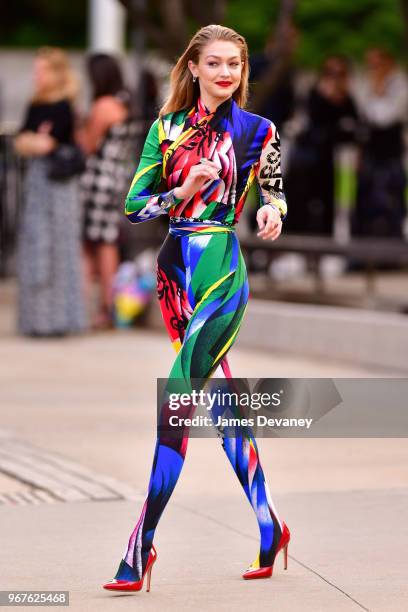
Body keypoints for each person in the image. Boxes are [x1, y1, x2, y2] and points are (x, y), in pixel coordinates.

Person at [102, 24, 290, 593]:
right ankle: (270, 524)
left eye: (234, 64)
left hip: (222, 271)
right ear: (193, 68)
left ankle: (141, 542)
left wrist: (271, 210)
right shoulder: (165, 130)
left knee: (180, 395)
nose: (226, 73)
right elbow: (134, 209)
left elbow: (275, 189)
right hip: (173, 272)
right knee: (217, 399)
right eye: (214, 64)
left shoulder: (259, 130)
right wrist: (181, 191)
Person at [14, 47, 87, 337]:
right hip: (37, 184)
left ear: (56, 73)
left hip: (59, 185)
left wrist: (35, 141)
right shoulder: (35, 104)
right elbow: (22, 141)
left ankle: (59, 319)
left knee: (59, 246)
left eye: (41, 69)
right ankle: (37, 319)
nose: (36, 75)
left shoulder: (64, 106)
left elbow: (44, 144)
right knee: (36, 243)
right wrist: (34, 140)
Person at [76, 53, 137, 330]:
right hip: (118, 182)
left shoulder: (102, 106)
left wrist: (77, 127)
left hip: (96, 182)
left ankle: (83, 308)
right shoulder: (128, 105)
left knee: (89, 245)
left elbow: (87, 146)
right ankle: (110, 308)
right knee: (108, 242)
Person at [284, 55, 358, 236]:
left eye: (339, 74)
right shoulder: (313, 94)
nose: (334, 79)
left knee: (325, 204)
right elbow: (308, 122)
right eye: (329, 73)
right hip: (305, 158)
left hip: (327, 158)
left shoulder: (347, 100)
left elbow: (351, 129)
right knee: (300, 202)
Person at [352, 48, 408, 239]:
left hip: (389, 154)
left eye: (377, 65)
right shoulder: (366, 84)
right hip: (371, 153)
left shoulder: (400, 85)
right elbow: (361, 113)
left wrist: (377, 93)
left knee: (389, 201)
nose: (373, 70)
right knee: (366, 201)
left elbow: (385, 117)